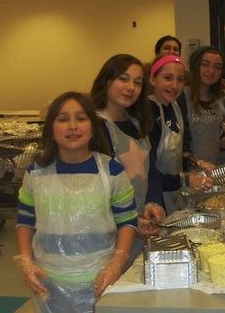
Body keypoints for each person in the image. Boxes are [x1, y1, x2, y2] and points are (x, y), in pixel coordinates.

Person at [15, 92, 137, 312]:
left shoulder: (112, 171)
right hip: (48, 284)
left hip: (100, 282)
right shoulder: (35, 173)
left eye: (81, 119)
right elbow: (25, 219)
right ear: (51, 129)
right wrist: (26, 259)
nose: (72, 126)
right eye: (62, 119)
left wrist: (117, 262)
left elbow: (127, 220)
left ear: (92, 128)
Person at [91, 54, 165, 259]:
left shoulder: (138, 123)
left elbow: (152, 172)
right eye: (123, 79)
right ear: (106, 81)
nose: (130, 87)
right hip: (108, 236)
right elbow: (96, 192)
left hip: (137, 229)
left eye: (137, 82)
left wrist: (152, 203)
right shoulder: (96, 127)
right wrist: (128, 221)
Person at [148, 54, 213, 215]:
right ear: (153, 79)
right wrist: (186, 179)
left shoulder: (174, 107)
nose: (174, 85)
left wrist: (193, 162)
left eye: (180, 79)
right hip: (154, 198)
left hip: (172, 192)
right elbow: (149, 171)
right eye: (168, 78)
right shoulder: (149, 112)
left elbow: (173, 152)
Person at [177, 46, 225, 164]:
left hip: (213, 171)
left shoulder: (220, 100)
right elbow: (178, 144)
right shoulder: (182, 97)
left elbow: (218, 143)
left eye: (217, 67)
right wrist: (192, 166)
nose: (211, 71)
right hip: (189, 173)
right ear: (195, 66)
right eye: (205, 65)